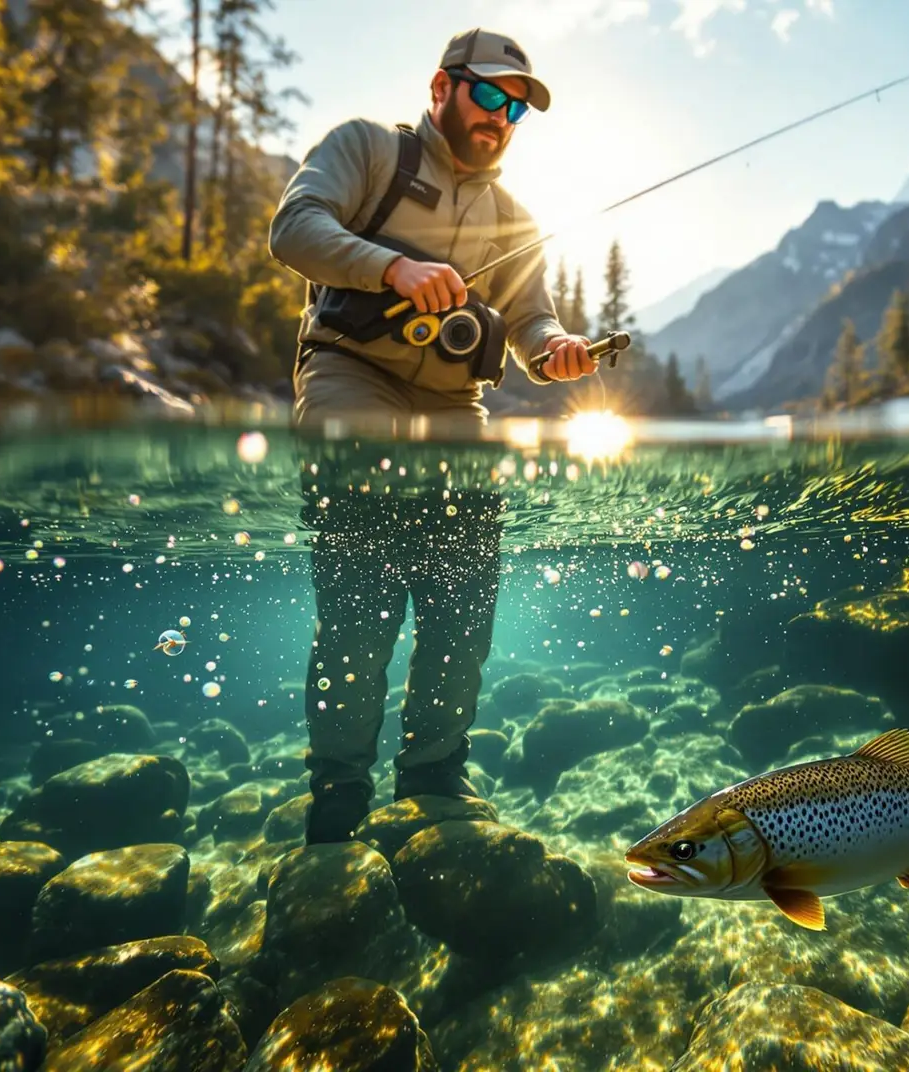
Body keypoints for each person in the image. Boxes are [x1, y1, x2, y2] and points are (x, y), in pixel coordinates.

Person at [268, 28, 595, 843]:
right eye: (489, 93)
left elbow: (530, 317)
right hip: (350, 375)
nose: (502, 115)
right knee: (360, 611)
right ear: (442, 88)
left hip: (456, 407)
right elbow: (293, 228)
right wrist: (390, 268)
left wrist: (553, 351)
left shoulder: (514, 214)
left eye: (517, 105)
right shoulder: (367, 150)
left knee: (461, 608)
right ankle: (340, 788)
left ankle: (434, 775)